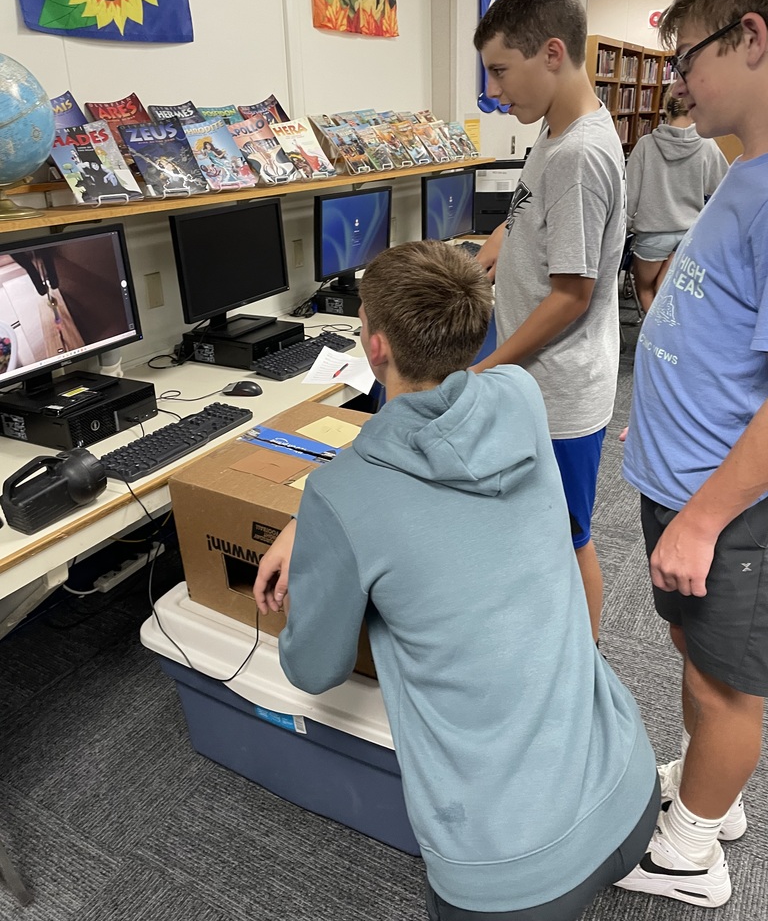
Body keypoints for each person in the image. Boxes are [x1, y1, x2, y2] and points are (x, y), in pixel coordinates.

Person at [255, 240, 658, 921]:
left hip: (514, 875)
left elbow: (314, 670)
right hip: (629, 785)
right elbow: (430, 438)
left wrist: (324, 517)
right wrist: (321, 515)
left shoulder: (345, 495)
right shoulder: (520, 394)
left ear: (374, 346)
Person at [619, 0, 768, 909]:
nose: (677, 80)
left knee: (729, 688)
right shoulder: (740, 167)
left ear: (750, 38)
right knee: (694, 655)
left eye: (687, 57)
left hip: (725, 508)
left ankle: (691, 853)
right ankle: (712, 794)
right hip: (683, 480)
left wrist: (708, 515)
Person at [472, 0, 626, 641]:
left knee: (569, 536)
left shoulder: (580, 156)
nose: (494, 89)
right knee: (538, 526)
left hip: (561, 392)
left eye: (501, 71)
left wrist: (487, 370)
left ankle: (582, 667)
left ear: (552, 54)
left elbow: (571, 295)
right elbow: (522, 217)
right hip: (537, 378)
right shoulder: (555, 132)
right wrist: (478, 260)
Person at [626, 86, 727, 312]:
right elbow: (723, 187)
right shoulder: (706, 145)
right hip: (689, 236)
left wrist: (628, 226)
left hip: (652, 236)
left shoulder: (646, 145)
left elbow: (629, 195)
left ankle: (652, 330)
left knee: (645, 291)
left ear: (665, 107)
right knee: (670, 295)